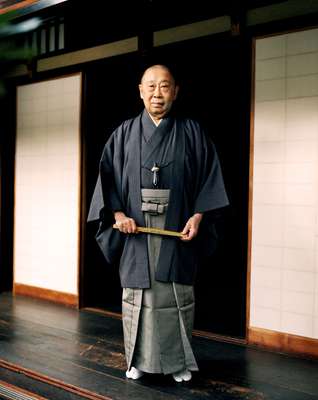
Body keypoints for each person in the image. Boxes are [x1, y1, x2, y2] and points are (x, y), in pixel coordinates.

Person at [87, 64, 229, 382]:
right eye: (150, 86)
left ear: (176, 91)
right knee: (137, 297)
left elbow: (209, 178)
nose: (157, 93)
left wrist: (197, 216)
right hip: (135, 232)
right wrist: (119, 216)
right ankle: (135, 361)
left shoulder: (192, 133)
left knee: (175, 294)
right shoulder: (123, 134)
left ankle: (177, 363)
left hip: (175, 227)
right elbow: (106, 180)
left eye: (164, 86)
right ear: (140, 91)